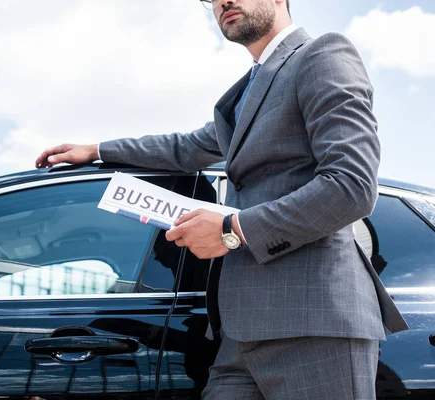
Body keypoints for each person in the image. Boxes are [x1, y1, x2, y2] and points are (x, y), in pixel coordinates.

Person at [35, 0, 408, 398]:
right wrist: (97, 150)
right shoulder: (250, 89)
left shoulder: (323, 54)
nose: (222, 2)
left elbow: (351, 186)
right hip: (239, 333)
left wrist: (233, 230)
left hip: (313, 323)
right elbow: (185, 147)